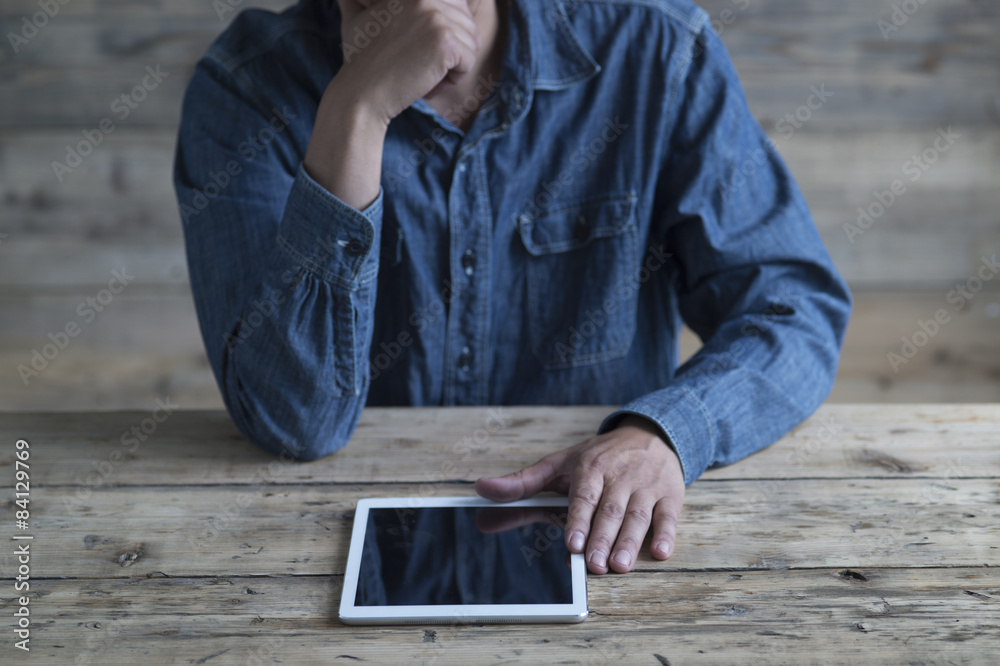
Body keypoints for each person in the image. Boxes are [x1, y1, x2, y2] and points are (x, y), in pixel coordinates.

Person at [174, 0, 852, 576]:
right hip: (331, 548)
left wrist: (664, 433)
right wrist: (355, 112)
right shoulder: (247, 87)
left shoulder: (657, 50)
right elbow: (294, 421)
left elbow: (793, 308)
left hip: (605, 549)